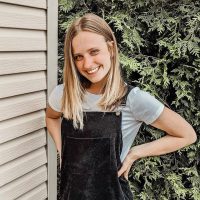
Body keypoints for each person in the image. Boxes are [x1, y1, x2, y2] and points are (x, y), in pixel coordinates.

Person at [45, 13, 197, 200]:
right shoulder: (63, 94)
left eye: (94, 52)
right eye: (78, 57)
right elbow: (51, 117)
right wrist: (62, 149)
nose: (87, 64)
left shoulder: (132, 99)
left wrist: (135, 153)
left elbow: (187, 135)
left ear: (111, 49)